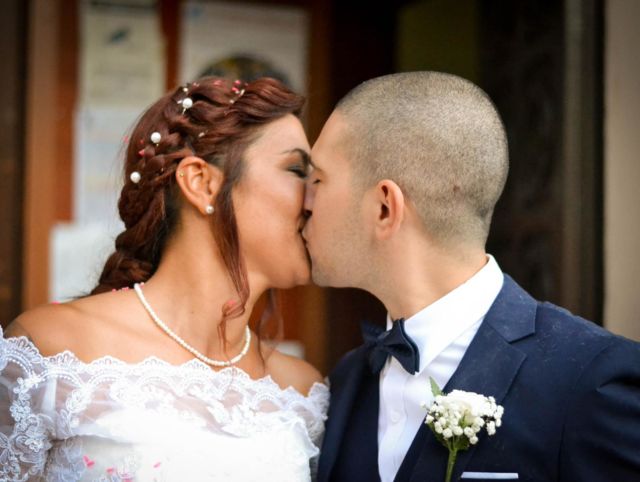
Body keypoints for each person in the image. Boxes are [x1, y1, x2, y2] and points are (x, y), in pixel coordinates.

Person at [303, 71, 640, 482]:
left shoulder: (589, 379)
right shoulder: (346, 381)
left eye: (318, 179)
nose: (305, 202)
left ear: (384, 207)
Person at [0, 77, 328, 481]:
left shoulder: (302, 392)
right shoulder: (52, 352)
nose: (315, 199)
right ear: (201, 183)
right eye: (296, 170)